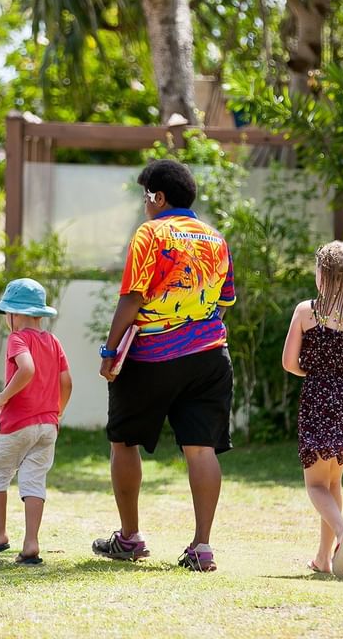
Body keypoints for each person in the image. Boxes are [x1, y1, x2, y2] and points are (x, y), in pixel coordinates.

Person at [92, 158, 237, 573]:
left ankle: (130, 537)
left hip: (150, 355)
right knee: (201, 447)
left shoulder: (150, 234)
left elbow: (133, 297)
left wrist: (109, 350)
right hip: (210, 355)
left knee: (123, 440)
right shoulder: (215, 237)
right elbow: (224, 302)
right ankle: (202, 546)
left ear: (158, 197)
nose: (144, 205)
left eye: (145, 196)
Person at [281, 241, 343, 579]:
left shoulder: (306, 312)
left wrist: (316, 378)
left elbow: (289, 362)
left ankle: (342, 530)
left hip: (317, 396)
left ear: (321, 274)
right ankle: (323, 559)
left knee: (315, 485)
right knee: (333, 482)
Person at [0, 278, 73, 566]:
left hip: (18, 422)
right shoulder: (53, 341)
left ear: (13, 314)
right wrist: (58, 412)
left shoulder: (18, 338)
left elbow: (27, 368)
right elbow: (66, 382)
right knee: (33, 479)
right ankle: (31, 543)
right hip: (47, 425)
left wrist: (4, 396)